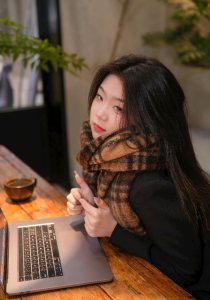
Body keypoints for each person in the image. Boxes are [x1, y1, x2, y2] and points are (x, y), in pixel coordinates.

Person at [66, 54, 210, 300]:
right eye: (100, 97)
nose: (100, 114)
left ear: (148, 120)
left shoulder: (148, 186)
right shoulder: (109, 155)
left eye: (118, 107)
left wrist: (113, 230)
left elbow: (186, 271)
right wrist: (92, 202)